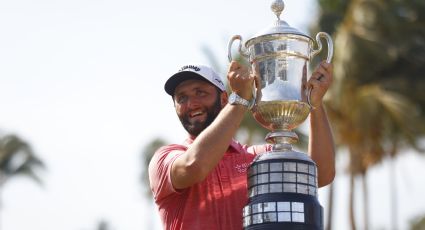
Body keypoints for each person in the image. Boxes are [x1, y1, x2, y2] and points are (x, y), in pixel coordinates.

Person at [149, 61, 336, 230]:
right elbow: (194, 166)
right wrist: (239, 100)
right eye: (181, 98)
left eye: (200, 92)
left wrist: (315, 105)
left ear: (223, 99)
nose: (191, 103)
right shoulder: (165, 158)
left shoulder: (257, 158)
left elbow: (320, 175)